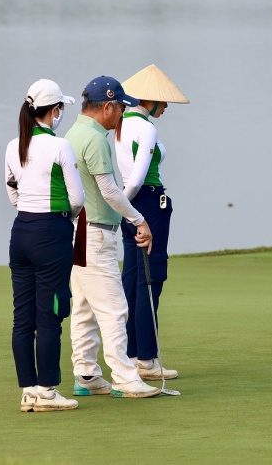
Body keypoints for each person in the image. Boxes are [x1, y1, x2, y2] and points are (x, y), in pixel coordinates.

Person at [65, 75, 161, 398]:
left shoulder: (73, 133)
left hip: (79, 231)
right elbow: (109, 190)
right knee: (114, 308)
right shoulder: (95, 139)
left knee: (84, 308)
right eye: (120, 108)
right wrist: (139, 219)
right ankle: (125, 378)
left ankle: (87, 374)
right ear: (107, 107)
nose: (121, 114)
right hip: (96, 233)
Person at [5, 79, 85, 412]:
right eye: (60, 108)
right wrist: (64, 218)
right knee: (51, 314)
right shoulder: (60, 146)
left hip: (21, 232)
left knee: (23, 319)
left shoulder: (14, 145)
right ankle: (48, 392)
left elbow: (12, 193)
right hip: (51, 234)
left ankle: (29, 392)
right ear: (54, 111)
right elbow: (77, 199)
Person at [115, 64, 189, 380]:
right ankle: (146, 359)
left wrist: (121, 208)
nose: (166, 106)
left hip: (129, 204)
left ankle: (132, 354)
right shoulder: (146, 129)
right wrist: (125, 207)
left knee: (132, 279)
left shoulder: (120, 124)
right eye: (163, 100)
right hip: (146, 204)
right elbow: (136, 179)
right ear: (150, 100)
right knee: (150, 279)